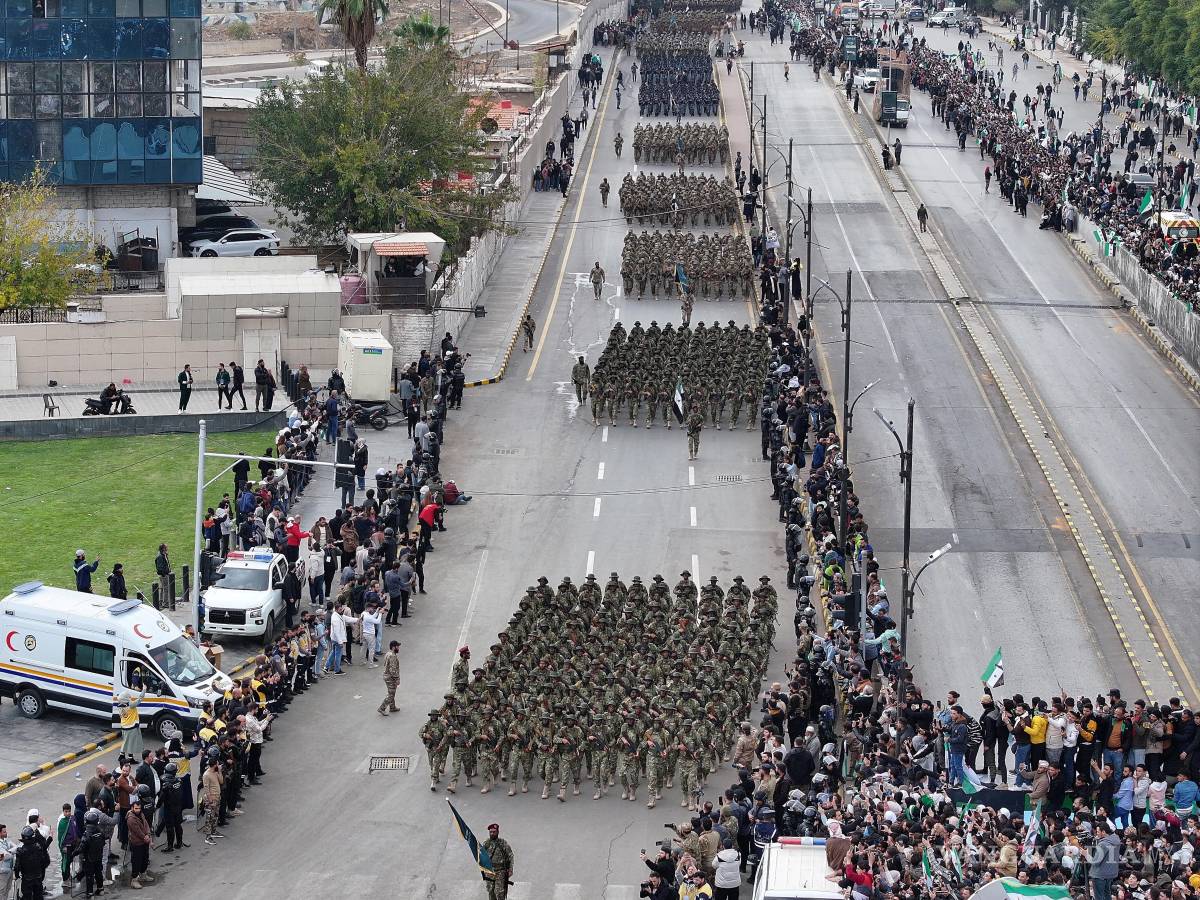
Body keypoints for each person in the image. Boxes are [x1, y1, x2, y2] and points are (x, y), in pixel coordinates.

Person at [482, 823, 513, 900]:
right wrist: (483, 868)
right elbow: (481, 856)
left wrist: (510, 869)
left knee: (499, 892)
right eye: (490, 832)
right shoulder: (486, 843)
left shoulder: (503, 843)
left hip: (501, 871)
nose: (492, 833)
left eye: (494, 832)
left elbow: (510, 856)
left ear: (498, 832)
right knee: (491, 891)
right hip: (490, 871)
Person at [378, 640, 401, 716]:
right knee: (391, 694)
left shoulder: (388, 653)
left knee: (391, 692)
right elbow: (393, 670)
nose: (399, 648)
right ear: (394, 647)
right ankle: (382, 708)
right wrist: (397, 679)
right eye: (397, 646)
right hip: (390, 677)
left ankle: (392, 707)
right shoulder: (392, 656)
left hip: (387, 676)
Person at [0, 823, 16, 900]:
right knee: (2, 891)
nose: (6, 833)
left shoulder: (6, 841)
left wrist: (8, 851)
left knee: (7, 889)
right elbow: (5, 856)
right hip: (2, 872)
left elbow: (16, 847)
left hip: (9, 869)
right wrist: (11, 852)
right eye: (4, 832)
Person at [154, 544, 171, 610]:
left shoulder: (164, 555)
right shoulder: (160, 557)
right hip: (164, 575)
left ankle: (161, 602)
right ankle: (165, 603)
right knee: (166, 589)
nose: (167, 548)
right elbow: (160, 568)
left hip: (165, 574)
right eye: (166, 547)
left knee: (162, 589)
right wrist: (164, 574)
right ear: (163, 548)